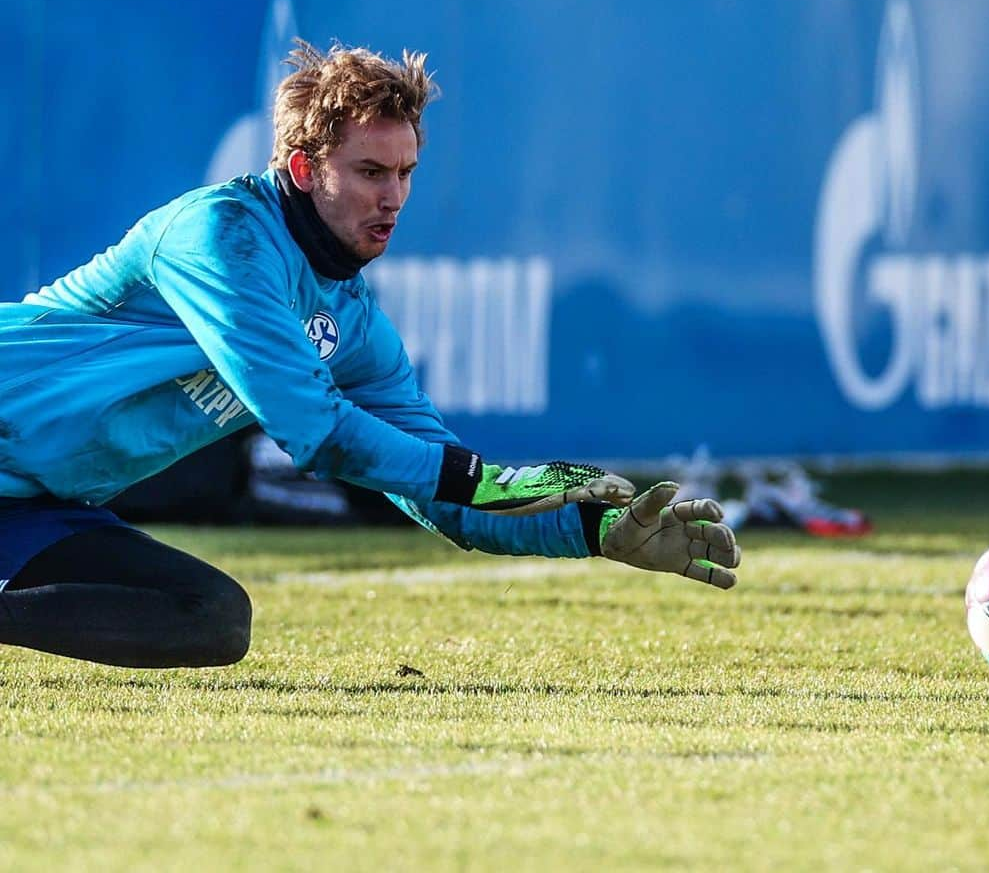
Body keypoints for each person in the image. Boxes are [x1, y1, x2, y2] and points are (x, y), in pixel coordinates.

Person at [0, 41, 740, 669]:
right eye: (369, 173)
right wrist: (486, 480)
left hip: (31, 501)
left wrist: (591, 531)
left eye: (406, 172)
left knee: (212, 618)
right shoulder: (221, 236)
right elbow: (313, 430)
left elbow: (442, 499)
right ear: (301, 170)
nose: (393, 198)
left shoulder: (353, 323)